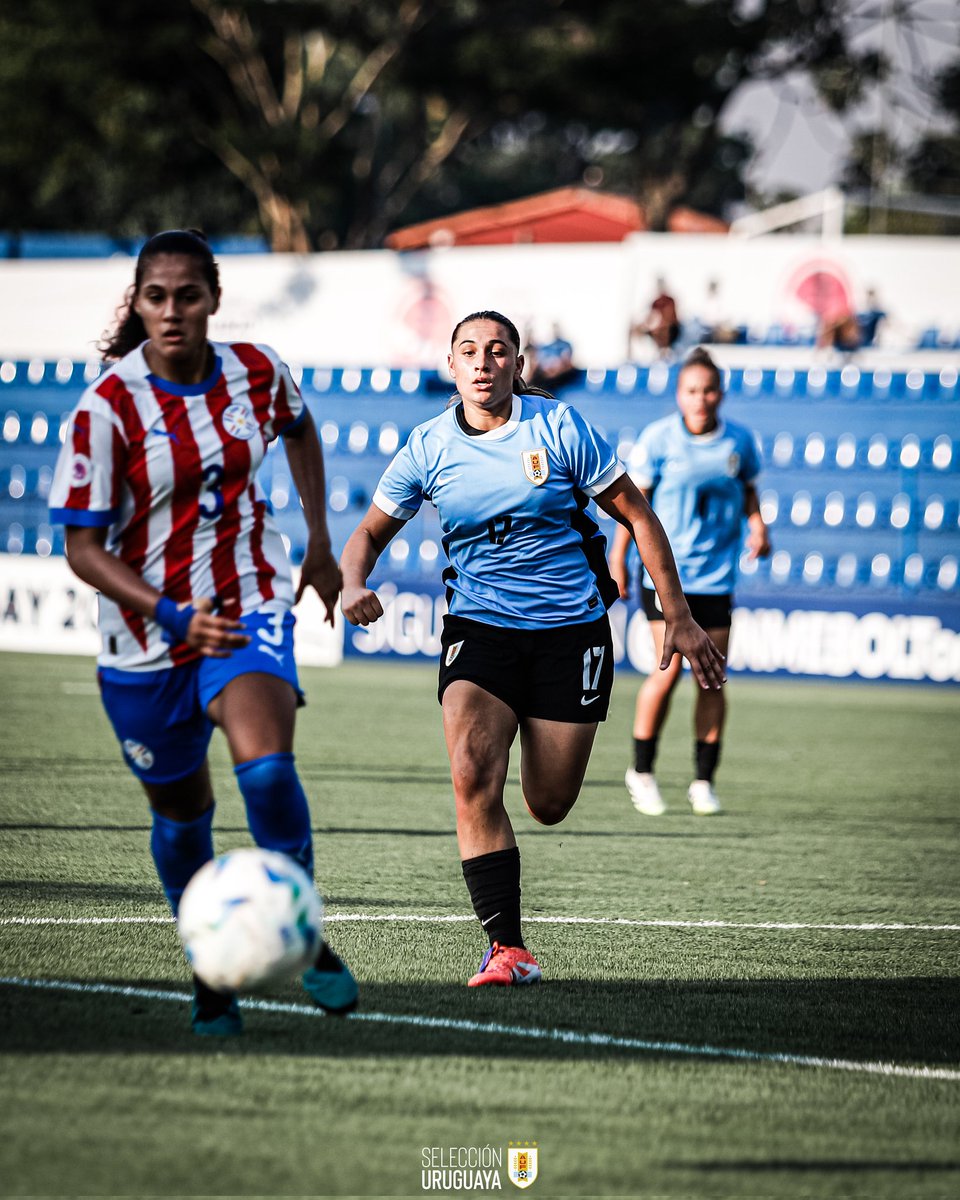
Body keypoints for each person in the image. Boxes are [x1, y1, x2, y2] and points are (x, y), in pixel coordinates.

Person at [339, 311, 726, 988]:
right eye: (469, 352)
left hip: (569, 635)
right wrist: (351, 583)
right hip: (479, 629)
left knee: (548, 802)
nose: (483, 362)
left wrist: (679, 617)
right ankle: (506, 947)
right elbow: (368, 534)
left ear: (519, 364)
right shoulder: (427, 447)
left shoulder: (561, 428)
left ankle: (530, 759)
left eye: (497, 351)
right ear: (451, 366)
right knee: (471, 773)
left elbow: (638, 513)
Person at [48, 229, 358, 1037]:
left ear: (214, 297)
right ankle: (210, 971)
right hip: (146, 638)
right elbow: (82, 547)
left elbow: (300, 425)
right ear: (139, 303)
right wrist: (171, 612)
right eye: (157, 297)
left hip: (247, 601)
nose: (173, 311)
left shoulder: (257, 371)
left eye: (189, 295)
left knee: (265, 772)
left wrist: (320, 543)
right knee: (183, 820)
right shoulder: (108, 409)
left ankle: (306, 934)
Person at [608, 346, 770, 818]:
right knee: (668, 672)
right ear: (680, 395)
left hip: (716, 576)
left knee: (711, 679)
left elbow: (749, 490)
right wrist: (618, 560)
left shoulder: (738, 442)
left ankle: (703, 782)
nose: (702, 399)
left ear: (721, 394)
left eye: (710, 390)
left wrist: (758, 525)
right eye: (693, 391)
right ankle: (641, 771)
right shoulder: (658, 440)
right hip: (665, 577)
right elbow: (631, 508)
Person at [629, 277, 681, 359]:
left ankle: (664, 352)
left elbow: (672, 318)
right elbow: (651, 316)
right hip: (656, 329)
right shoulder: (655, 302)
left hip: (671, 329)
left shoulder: (670, 300)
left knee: (664, 329)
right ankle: (634, 358)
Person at [529, 322, 579, 392]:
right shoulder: (545, 347)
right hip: (546, 378)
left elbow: (567, 361)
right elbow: (538, 361)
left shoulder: (565, 345)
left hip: (561, 378)